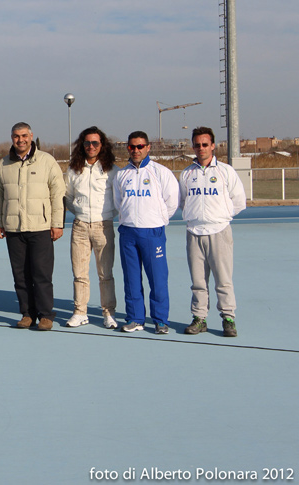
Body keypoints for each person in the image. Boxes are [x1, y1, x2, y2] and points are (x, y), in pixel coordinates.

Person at [0, 122, 65, 331]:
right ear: (11, 138)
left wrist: (57, 223)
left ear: (31, 136)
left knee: (41, 274)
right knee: (20, 275)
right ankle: (27, 313)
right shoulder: (3, 164)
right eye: (16, 136)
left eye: (24, 135)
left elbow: (58, 194)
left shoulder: (46, 161)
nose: (20, 140)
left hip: (40, 227)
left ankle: (46, 315)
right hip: (14, 228)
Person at [179, 127, 246, 337]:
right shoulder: (187, 173)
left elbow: (239, 201)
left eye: (205, 144)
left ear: (213, 146)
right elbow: (183, 202)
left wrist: (220, 217)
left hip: (219, 232)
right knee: (198, 282)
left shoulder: (225, 171)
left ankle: (228, 318)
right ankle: (199, 318)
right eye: (197, 145)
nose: (201, 148)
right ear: (193, 147)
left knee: (223, 280)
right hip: (194, 232)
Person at [113, 131, 179, 334]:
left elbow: (172, 201)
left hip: (152, 232)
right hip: (128, 233)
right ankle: (135, 318)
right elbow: (119, 203)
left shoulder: (160, 172)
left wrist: (157, 220)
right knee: (131, 279)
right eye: (132, 146)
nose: (136, 150)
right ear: (128, 148)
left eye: (140, 146)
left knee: (157, 278)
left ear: (148, 147)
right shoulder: (121, 175)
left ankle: (160, 320)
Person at [63, 127, 120, 329]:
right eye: (87, 143)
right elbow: (67, 196)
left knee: (105, 273)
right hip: (79, 226)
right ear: (82, 145)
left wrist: (105, 216)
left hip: (103, 226)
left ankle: (108, 312)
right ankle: (80, 312)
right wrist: (79, 212)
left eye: (95, 143)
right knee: (79, 273)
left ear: (102, 145)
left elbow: (118, 199)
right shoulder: (73, 169)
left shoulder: (112, 170)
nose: (91, 146)